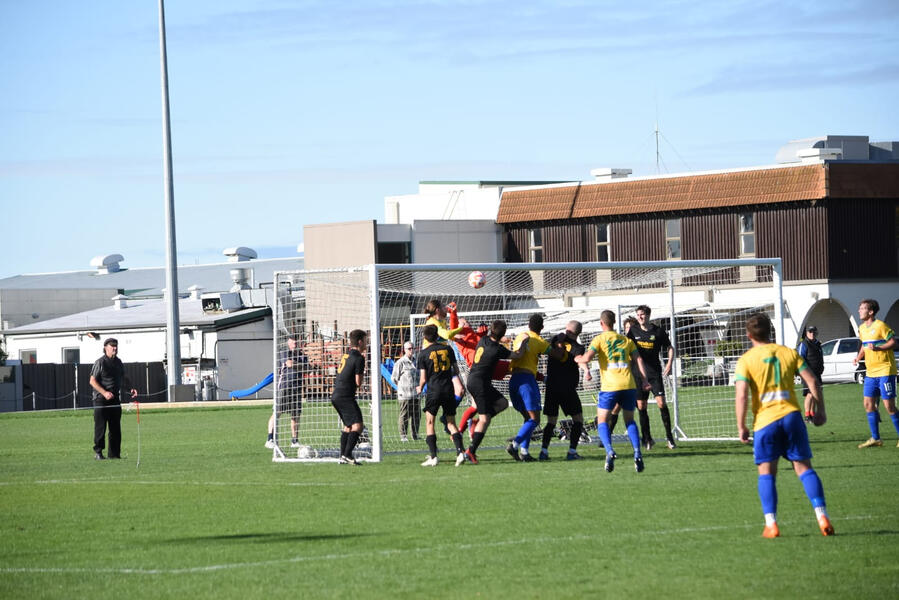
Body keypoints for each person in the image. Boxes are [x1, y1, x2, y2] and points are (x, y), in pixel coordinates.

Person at [734, 313, 834, 538]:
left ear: (749, 335)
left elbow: (741, 395)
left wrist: (741, 426)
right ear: (770, 331)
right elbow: (812, 381)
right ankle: (822, 515)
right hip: (792, 417)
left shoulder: (746, 360)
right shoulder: (788, 353)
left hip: (765, 422)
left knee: (766, 473)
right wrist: (821, 411)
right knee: (804, 468)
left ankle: (771, 524)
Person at [576, 310, 651, 473]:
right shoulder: (626, 340)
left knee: (602, 421)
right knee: (630, 420)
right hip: (628, 384)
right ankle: (637, 452)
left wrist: (578, 359)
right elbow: (638, 359)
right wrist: (645, 380)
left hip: (610, 386)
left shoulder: (599, 339)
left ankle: (609, 451)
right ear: (615, 323)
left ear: (601, 323)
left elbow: (587, 358)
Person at [462, 320, 526, 464]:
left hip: (474, 380)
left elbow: (494, 338)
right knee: (485, 420)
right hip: (480, 383)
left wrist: (502, 339)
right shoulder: (497, 349)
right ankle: (471, 451)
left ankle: (477, 423)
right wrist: (524, 342)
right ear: (503, 333)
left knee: (502, 403)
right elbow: (518, 355)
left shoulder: (484, 340)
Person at [506, 313, 565, 462]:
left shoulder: (520, 336)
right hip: (526, 381)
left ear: (528, 325)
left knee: (528, 418)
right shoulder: (539, 341)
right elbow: (558, 355)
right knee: (535, 419)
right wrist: (560, 342)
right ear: (542, 327)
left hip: (513, 381)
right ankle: (515, 445)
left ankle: (524, 452)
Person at [539, 320, 592, 461]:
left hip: (551, 387)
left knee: (551, 421)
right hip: (567, 388)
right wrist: (586, 370)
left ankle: (544, 451)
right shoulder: (579, 348)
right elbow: (578, 360)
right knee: (578, 419)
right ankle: (572, 451)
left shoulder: (555, 339)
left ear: (568, 330)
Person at [627, 305, 676, 450]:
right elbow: (626, 348)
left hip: (654, 374)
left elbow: (670, 347)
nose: (640, 317)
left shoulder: (658, 331)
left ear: (648, 315)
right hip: (638, 374)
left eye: (642, 314)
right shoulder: (633, 331)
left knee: (661, 403)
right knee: (641, 406)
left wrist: (669, 364)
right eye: (638, 315)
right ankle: (647, 438)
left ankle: (670, 438)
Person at [416, 325, 465, 466]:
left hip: (434, 391)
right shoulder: (448, 349)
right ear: (437, 335)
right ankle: (460, 453)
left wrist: (420, 387)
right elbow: (456, 370)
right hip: (448, 389)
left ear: (425, 337)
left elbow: (423, 378)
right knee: (451, 423)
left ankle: (433, 457)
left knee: (430, 422)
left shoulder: (423, 354)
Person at [852, 299, 898, 448]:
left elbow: (893, 342)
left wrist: (878, 348)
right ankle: (876, 438)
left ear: (871, 312)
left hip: (885, 370)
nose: (859, 311)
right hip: (871, 372)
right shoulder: (862, 328)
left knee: (889, 406)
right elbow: (864, 346)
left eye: (862, 308)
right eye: (859, 308)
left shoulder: (880, 326)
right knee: (868, 404)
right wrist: (858, 357)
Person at [89, 338, 137, 460]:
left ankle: (114, 455)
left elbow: (124, 377)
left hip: (115, 399)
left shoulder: (118, 362)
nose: (115, 348)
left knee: (115, 428)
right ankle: (98, 453)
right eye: (112, 346)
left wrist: (130, 388)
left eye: (116, 346)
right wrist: (104, 393)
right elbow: (92, 381)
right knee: (100, 428)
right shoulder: (100, 362)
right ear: (106, 348)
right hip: (100, 399)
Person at [331, 329, 368, 465]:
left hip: (336, 394)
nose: (367, 343)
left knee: (348, 426)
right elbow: (358, 382)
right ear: (360, 342)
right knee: (358, 426)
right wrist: (363, 373)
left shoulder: (346, 355)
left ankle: (343, 456)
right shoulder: (359, 358)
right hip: (345, 396)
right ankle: (347, 454)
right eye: (365, 340)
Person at [266, 335, 306, 450]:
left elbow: (306, 368)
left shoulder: (302, 355)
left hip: (297, 388)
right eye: (293, 342)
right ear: (288, 342)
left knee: (295, 415)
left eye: (296, 342)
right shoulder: (284, 353)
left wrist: (297, 365)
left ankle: (294, 441)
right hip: (284, 387)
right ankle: (269, 439)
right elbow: (289, 364)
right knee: (277, 412)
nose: (295, 344)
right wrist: (298, 365)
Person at [391, 341, 420, 442]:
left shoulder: (416, 362)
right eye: (409, 349)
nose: (411, 350)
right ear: (404, 350)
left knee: (416, 416)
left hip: (416, 394)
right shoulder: (400, 362)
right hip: (404, 394)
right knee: (404, 416)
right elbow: (394, 378)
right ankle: (403, 436)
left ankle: (415, 435)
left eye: (413, 348)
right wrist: (401, 387)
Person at [797, 326, 824, 421]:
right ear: (807, 333)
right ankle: (807, 415)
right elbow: (800, 358)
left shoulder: (818, 344)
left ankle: (812, 413)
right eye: (810, 332)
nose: (812, 334)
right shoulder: (804, 344)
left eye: (814, 332)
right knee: (810, 394)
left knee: (816, 393)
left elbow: (820, 357)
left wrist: (822, 367)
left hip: (817, 373)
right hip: (807, 374)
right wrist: (805, 372)